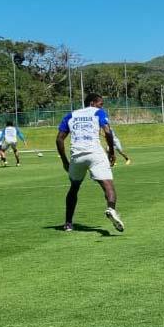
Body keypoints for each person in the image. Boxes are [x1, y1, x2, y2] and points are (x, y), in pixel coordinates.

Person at [56, 93, 124, 233]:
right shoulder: (98, 112)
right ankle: (111, 209)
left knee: (74, 188)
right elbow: (107, 132)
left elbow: (59, 139)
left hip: (77, 156)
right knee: (108, 186)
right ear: (92, 103)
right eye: (100, 103)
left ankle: (68, 223)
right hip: (95, 154)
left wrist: (64, 161)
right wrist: (111, 151)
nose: (102, 106)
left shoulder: (71, 115)